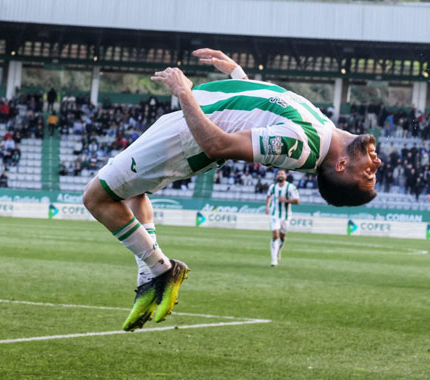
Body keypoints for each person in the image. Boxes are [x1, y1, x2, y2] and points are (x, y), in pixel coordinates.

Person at [82, 48, 382, 331]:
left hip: (185, 138)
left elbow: (217, 145)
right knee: (133, 192)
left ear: (342, 165)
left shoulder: (300, 147)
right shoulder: (328, 132)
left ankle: (160, 269)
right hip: (187, 126)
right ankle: (150, 275)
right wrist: (238, 75)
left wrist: (183, 91)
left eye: (369, 173)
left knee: (96, 198)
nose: (377, 163)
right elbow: (264, 111)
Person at [265, 169, 299, 267]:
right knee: (275, 235)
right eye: (278, 174)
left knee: (282, 237)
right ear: (276, 176)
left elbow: (297, 201)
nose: (280, 175)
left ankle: (279, 250)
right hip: (275, 214)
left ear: (286, 176)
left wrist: (285, 200)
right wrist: (267, 207)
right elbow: (268, 196)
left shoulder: (291, 187)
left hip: (286, 215)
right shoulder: (272, 187)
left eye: (282, 174)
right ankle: (274, 259)